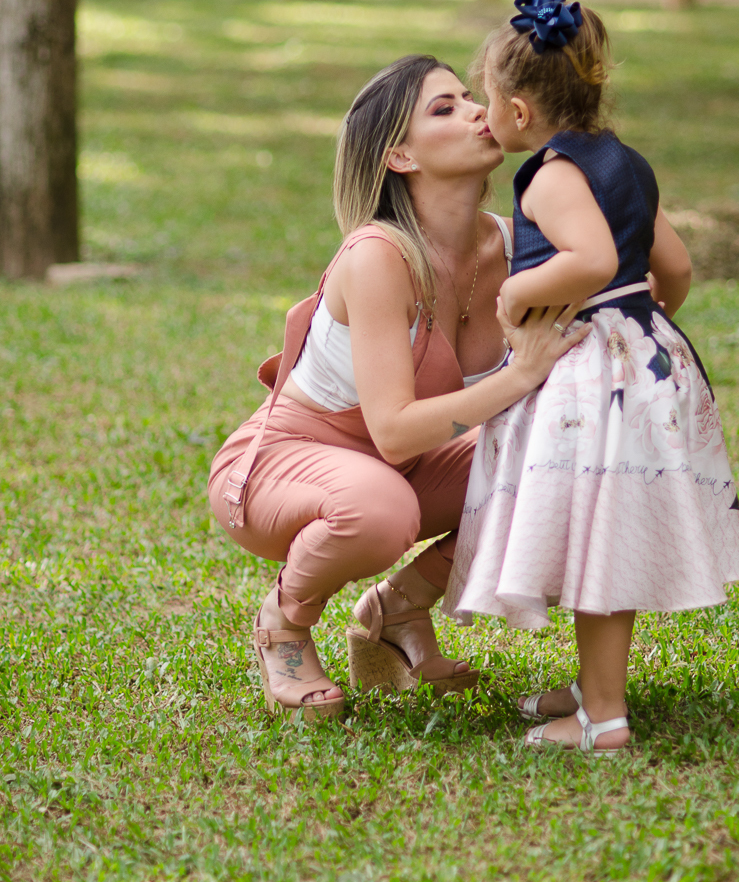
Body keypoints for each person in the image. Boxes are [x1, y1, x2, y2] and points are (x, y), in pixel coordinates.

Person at [207, 53, 589, 722]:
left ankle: (394, 612)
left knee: (568, 463)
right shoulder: (378, 255)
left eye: (471, 97)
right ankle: (284, 622)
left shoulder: (519, 246)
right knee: (380, 511)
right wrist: (520, 375)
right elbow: (393, 429)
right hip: (283, 467)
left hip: (406, 470)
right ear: (401, 158)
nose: (476, 110)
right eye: (443, 108)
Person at [444, 0, 739, 757]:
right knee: (601, 538)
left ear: (519, 112)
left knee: (595, 547)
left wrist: (518, 291)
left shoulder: (550, 176)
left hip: (597, 382)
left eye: (486, 100)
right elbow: (672, 266)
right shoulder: (625, 162)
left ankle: (602, 720)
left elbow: (589, 259)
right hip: (646, 361)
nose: (483, 115)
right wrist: (646, 316)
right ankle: (593, 687)